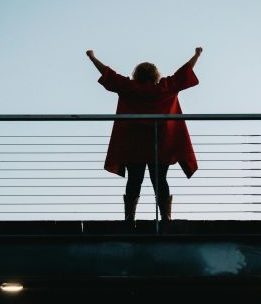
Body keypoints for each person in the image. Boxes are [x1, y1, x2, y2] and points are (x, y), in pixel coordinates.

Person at [86, 47, 203, 224]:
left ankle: (129, 219)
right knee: (160, 179)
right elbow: (184, 73)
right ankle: (165, 218)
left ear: (137, 75)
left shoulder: (128, 88)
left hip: (134, 144)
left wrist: (92, 58)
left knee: (134, 179)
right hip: (161, 143)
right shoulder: (165, 88)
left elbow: (109, 75)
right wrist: (197, 55)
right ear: (155, 75)